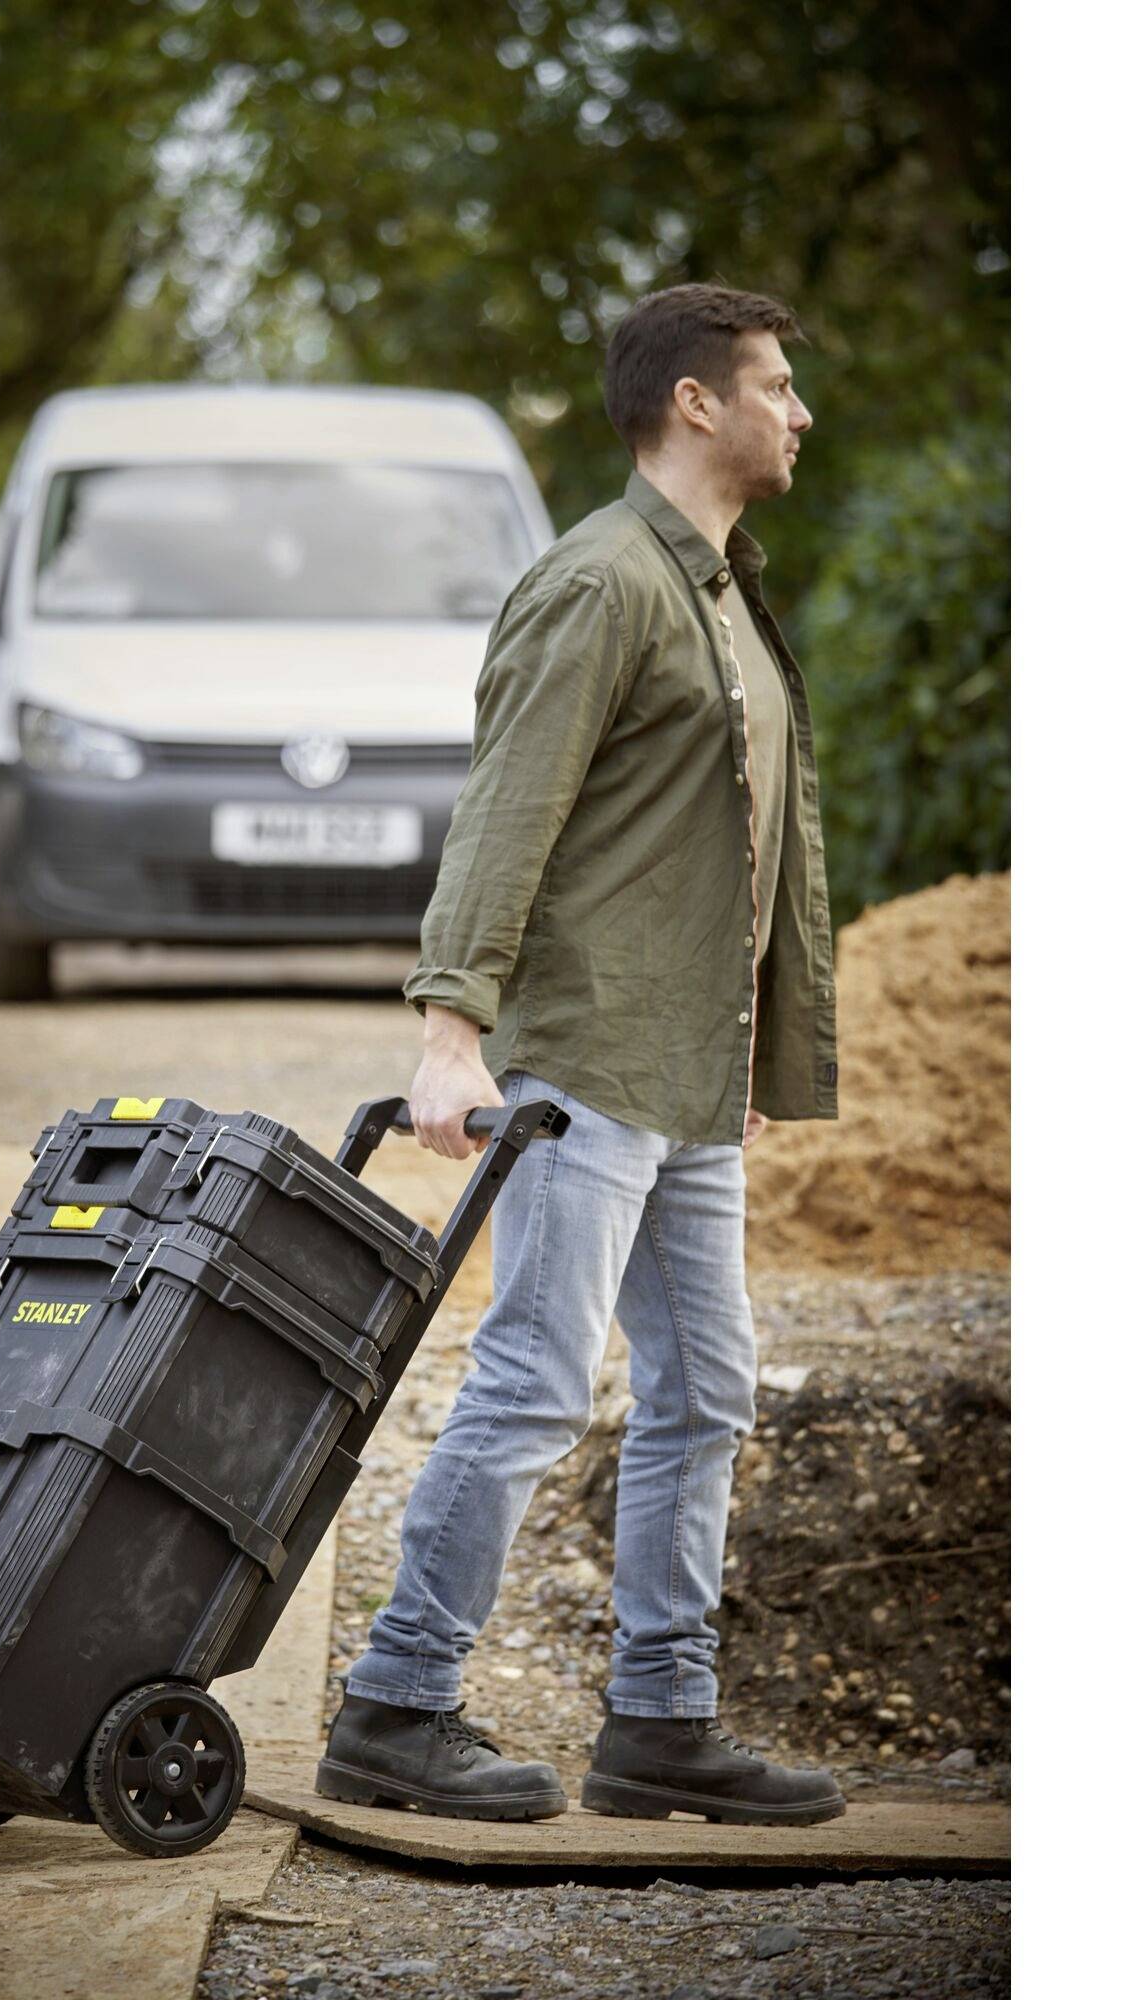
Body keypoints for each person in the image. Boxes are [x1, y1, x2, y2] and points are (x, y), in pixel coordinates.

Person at [316, 283, 845, 1828]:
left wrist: (743, 1041)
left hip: (685, 1076)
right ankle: (396, 1703)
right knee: (539, 1380)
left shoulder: (726, 594)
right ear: (697, 402)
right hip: (581, 1073)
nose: (798, 412)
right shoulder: (601, 583)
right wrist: (448, 1034)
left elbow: (726, 849)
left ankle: (662, 1721)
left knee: (709, 1388)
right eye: (775, 384)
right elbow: (508, 812)